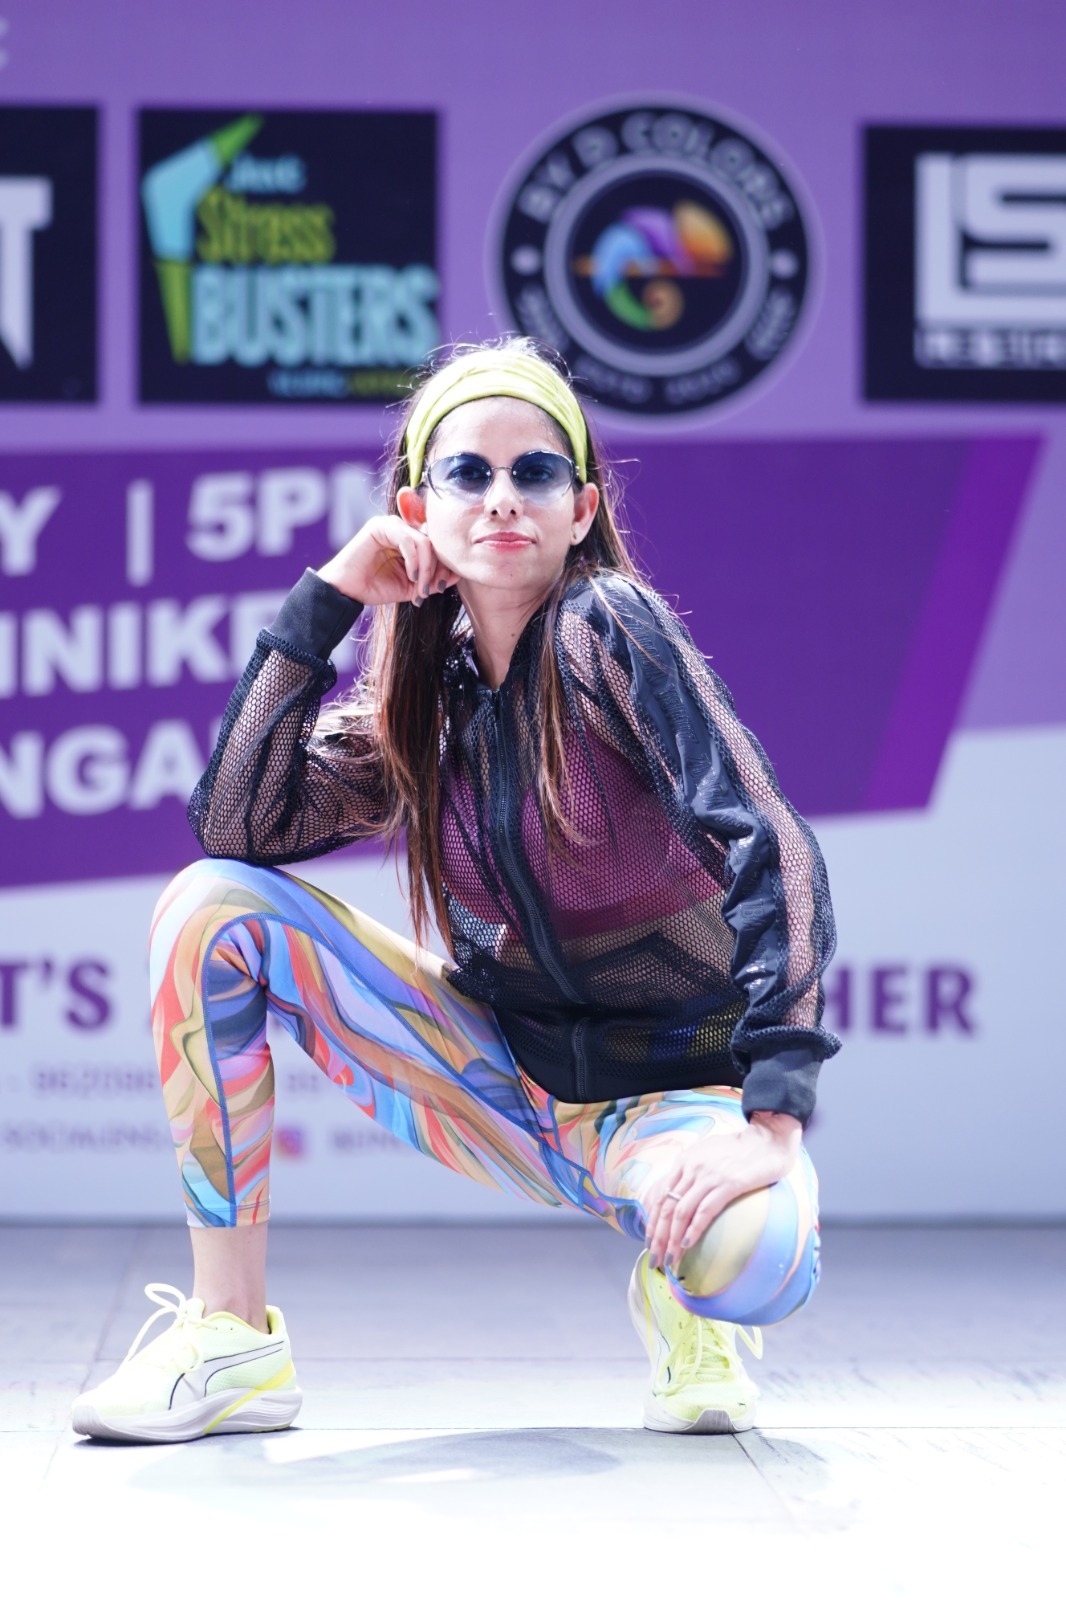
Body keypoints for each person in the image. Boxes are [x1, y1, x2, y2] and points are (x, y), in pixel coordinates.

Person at [71, 338, 839, 1444]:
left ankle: (684, 1291)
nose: (502, 498)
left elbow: (773, 846)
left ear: (581, 509)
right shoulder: (423, 693)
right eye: (467, 474)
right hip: (497, 1081)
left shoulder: (607, 627)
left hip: (664, 1102)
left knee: (754, 1267)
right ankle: (231, 1337)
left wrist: (771, 1118)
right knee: (209, 906)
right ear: (417, 508)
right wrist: (330, 597)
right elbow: (240, 824)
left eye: (535, 472)